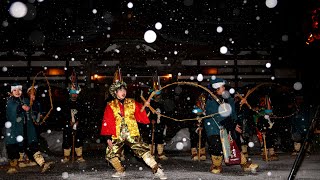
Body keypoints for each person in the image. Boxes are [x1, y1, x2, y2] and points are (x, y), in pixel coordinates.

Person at [100, 68, 167, 179]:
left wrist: (146, 107)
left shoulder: (131, 102)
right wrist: (108, 137)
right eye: (120, 90)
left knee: (143, 150)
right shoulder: (110, 105)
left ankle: (157, 169)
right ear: (115, 92)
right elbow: (107, 121)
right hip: (117, 134)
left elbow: (141, 114)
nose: (123, 92)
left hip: (132, 133)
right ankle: (120, 170)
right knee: (110, 154)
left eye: (124, 89)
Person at [203, 78, 259, 174]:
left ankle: (244, 163)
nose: (224, 88)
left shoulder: (226, 98)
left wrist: (239, 105)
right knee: (216, 146)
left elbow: (231, 110)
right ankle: (216, 165)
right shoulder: (211, 100)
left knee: (234, 143)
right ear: (216, 88)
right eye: (222, 87)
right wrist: (232, 125)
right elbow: (219, 116)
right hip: (214, 128)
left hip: (227, 126)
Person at [5, 83, 52, 174]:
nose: (17, 92)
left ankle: (43, 164)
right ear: (11, 92)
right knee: (13, 148)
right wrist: (20, 107)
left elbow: (32, 109)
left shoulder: (25, 100)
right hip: (15, 131)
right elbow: (12, 110)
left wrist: (33, 103)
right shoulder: (10, 102)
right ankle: (13, 166)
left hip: (27, 130)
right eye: (14, 90)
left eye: (19, 90)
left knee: (33, 146)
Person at [62, 70, 86, 163]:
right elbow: (63, 114)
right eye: (72, 93)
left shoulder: (80, 103)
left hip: (78, 124)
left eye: (75, 93)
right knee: (67, 139)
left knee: (78, 139)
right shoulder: (66, 103)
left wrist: (78, 121)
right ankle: (66, 156)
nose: (74, 95)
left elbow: (83, 113)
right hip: (68, 124)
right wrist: (68, 120)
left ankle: (79, 156)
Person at [146, 76, 168, 160]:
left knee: (160, 138)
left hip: (160, 124)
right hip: (152, 124)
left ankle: (160, 153)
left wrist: (164, 122)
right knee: (151, 138)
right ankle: (151, 153)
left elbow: (164, 113)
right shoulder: (150, 103)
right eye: (156, 95)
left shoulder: (162, 104)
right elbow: (148, 113)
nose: (158, 97)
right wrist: (151, 119)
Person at [255, 95, 279, 161]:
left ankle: (272, 153)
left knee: (271, 141)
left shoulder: (272, 116)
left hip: (270, 130)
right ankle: (265, 153)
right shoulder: (261, 115)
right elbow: (259, 123)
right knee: (264, 141)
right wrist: (262, 129)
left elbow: (274, 123)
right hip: (264, 130)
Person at [189, 93, 207, 161]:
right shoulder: (194, 108)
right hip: (194, 126)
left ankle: (202, 152)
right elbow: (191, 118)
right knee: (194, 138)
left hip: (202, 126)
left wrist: (202, 125)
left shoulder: (205, 108)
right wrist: (195, 126)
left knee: (202, 139)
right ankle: (194, 152)